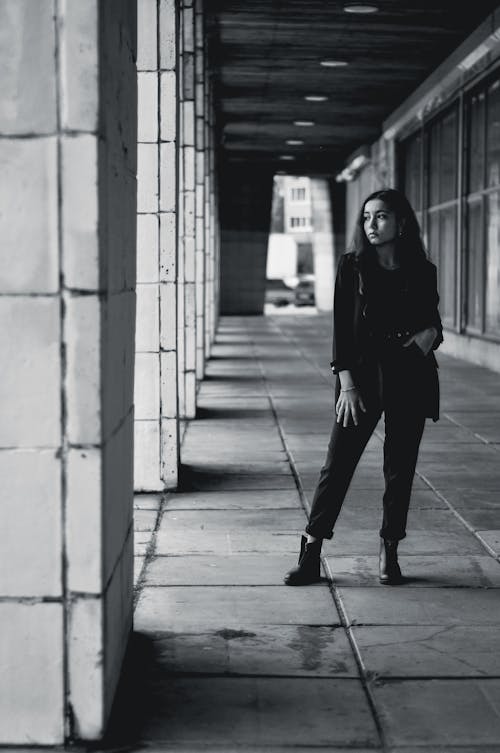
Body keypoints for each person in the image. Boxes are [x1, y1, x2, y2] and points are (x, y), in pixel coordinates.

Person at [284, 188, 443, 586]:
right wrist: (346, 383)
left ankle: (389, 549)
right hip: (362, 377)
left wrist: (431, 336)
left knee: (400, 468)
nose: (372, 224)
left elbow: (432, 320)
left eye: (382, 216)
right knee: (337, 465)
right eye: (367, 217)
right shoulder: (352, 266)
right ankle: (311, 548)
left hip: (410, 374)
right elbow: (342, 328)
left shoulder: (422, 270)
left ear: (402, 222)